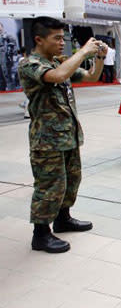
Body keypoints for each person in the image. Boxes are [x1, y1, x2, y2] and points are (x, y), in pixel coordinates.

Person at [18, 16, 107, 253]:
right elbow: (56, 77)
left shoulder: (59, 61)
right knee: (49, 186)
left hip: (67, 136)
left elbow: (91, 77)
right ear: (39, 39)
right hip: (46, 141)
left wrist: (99, 57)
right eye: (56, 38)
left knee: (70, 180)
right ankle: (41, 234)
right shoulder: (30, 64)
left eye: (63, 38)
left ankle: (63, 218)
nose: (61, 43)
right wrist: (83, 51)